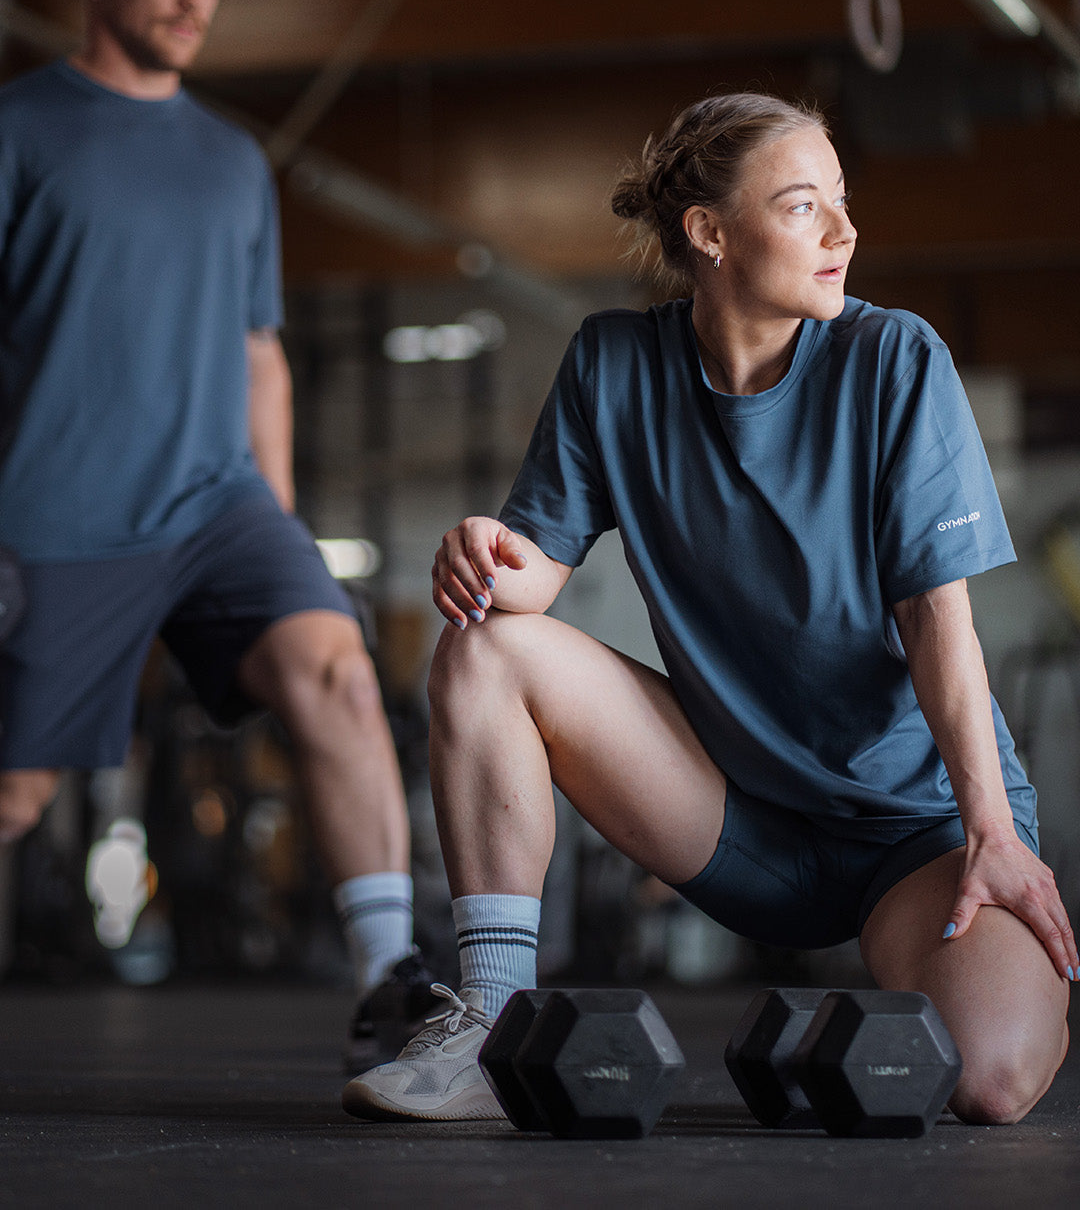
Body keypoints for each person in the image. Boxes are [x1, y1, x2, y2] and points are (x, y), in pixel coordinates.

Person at [343, 90, 1077, 1126]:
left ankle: (981, 984)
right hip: (736, 817)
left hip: (918, 835)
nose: (843, 230)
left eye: (842, 203)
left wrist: (993, 833)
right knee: (483, 650)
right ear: (710, 233)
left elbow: (936, 623)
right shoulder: (612, 364)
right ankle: (490, 1020)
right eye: (801, 206)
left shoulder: (894, 360)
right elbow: (525, 588)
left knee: (992, 1082)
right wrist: (476, 549)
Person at [0, 0, 434, 1065]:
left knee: (339, 672)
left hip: (220, 505)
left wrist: (277, 531)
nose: (194, 0)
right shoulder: (20, 131)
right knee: (18, 793)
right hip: (60, 512)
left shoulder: (235, 163)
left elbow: (262, 357)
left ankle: (390, 977)